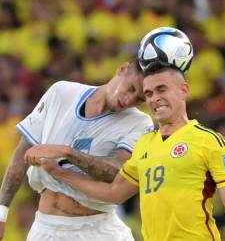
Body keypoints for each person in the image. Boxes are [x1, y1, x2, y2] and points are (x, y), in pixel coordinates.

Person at [36, 63, 225, 241]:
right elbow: (113, 193)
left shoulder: (209, 142)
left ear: (183, 90)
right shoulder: (144, 144)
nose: (154, 98)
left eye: (161, 89)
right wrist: (58, 172)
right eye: (148, 94)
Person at [0, 59, 153, 241]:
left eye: (139, 99)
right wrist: (2, 212)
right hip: (45, 229)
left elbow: (119, 172)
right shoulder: (61, 92)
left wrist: (67, 152)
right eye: (131, 88)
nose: (129, 100)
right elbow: (21, 155)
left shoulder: (140, 123)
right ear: (122, 70)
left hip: (98, 231)